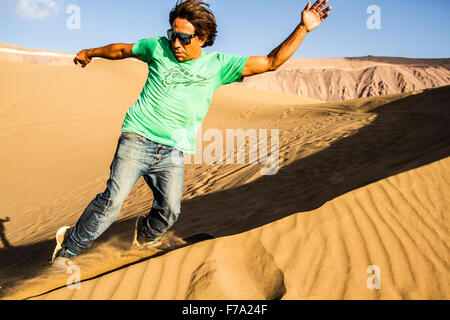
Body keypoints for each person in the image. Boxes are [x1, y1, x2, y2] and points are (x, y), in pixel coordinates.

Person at [51, 0, 331, 266]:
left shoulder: (219, 65)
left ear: (203, 37)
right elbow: (122, 50)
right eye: (173, 35)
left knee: (170, 211)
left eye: (184, 38)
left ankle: (146, 238)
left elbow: (271, 62)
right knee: (113, 200)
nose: (176, 43)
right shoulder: (157, 47)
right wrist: (90, 53)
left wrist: (303, 29)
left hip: (172, 149)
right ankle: (68, 248)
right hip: (137, 137)